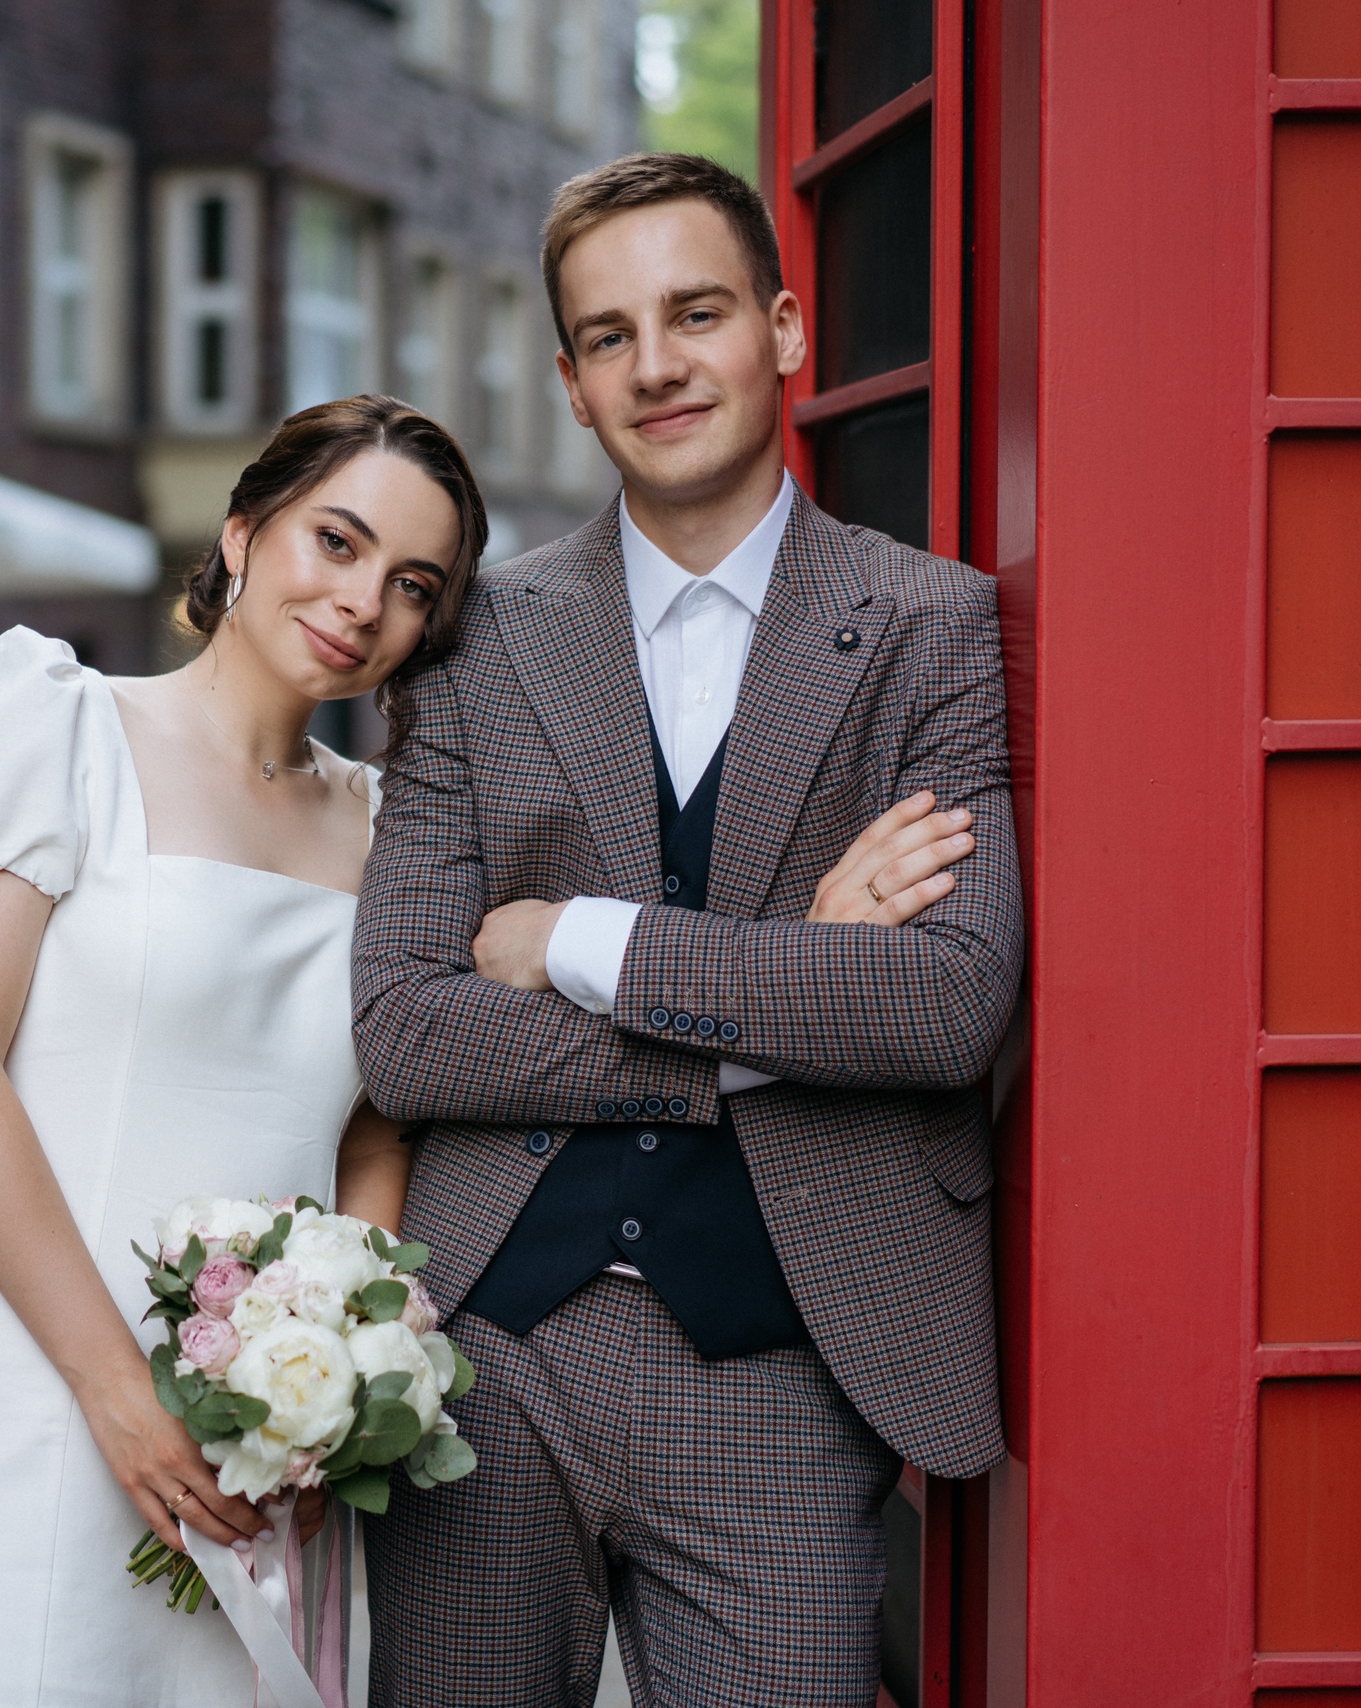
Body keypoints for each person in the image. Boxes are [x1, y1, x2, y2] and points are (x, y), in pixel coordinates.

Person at [351, 153, 1023, 1707]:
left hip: (792, 1364)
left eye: (696, 312)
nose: (656, 365)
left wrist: (586, 938)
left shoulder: (933, 625)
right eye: (607, 335)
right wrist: (779, 1011)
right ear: (575, 388)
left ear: (787, 332)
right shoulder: (478, 641)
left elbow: (943, 1006)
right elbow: (406, 1023)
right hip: (486, 1356)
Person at [0, 396, 482, 1707]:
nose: (365, 601)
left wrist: (346, 1373)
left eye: (412, 584)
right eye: (338, 541)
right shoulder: (57, 727)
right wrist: (117, 1392)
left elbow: (374, 1127)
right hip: (37, 1383)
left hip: (267, 1445)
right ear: (243, 533)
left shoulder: (391, 830)